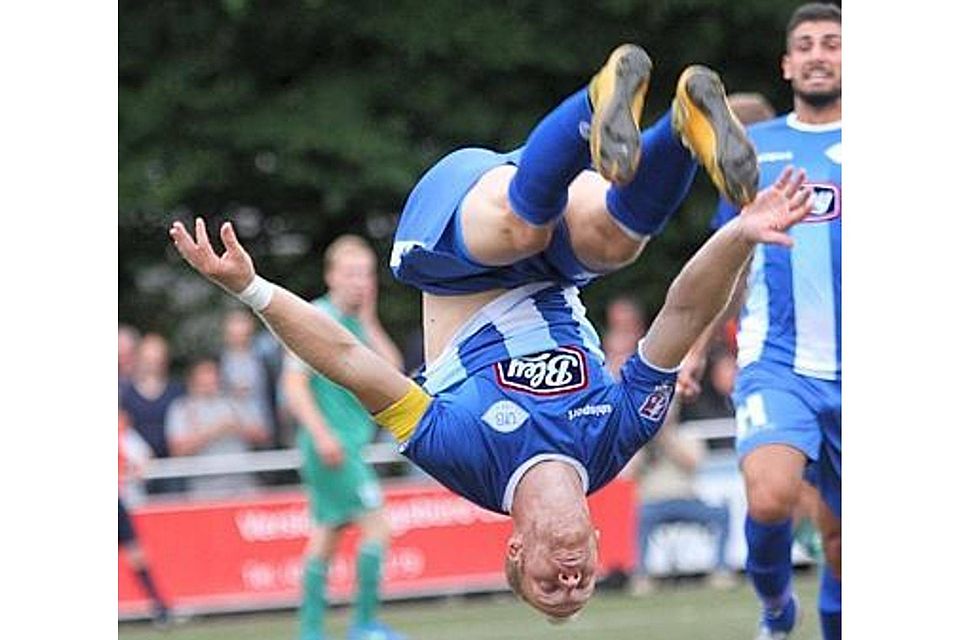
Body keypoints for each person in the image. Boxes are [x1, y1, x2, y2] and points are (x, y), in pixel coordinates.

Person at [169, 42, 814, 621]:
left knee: (522, 228)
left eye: (548, 586)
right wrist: (739, 233)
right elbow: (681, 316)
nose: (570, 580)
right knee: (617, 243)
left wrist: (252, 289)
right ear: (597, 543)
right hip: (555, 259)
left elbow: (348, 360)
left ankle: (594, 103)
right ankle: (681, 127)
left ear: (517, 549)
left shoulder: (468, 459)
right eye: (582, 585)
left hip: (451, 247)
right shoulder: (614, 439)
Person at [678, 5, 841, 638]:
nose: (818, 54)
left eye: (832, 43)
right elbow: (728, 259)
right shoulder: (755, 150)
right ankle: (775, 606)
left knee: (841, 544)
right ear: (788, 64)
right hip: (778, 362)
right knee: (770, 496)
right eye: (806, 45)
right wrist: (693, 347)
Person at [281, 235, 406, 640]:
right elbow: (293, 384)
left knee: (327, 535)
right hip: (331, 446)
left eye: (366, 274)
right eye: (351, 274)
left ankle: (311, 632)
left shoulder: (357, 322)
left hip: (346, 445)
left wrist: (369, 319)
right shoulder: (317, 317)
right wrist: (322, 435)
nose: (360, 282)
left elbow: (393, 373)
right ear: (331, 276)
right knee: (378, 528)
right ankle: (364, 626)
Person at [624, 401, 734, 596]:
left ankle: (721, 570)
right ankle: (641, 576)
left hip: (686, 500)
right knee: (641, 516)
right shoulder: (641, 437)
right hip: (653, 503)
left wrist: (666, 439)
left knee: (721, 514)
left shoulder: (688, 434)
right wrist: (645, 447)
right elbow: (629, 473)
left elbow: (692, 464)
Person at [166, 357, 271, 496]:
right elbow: (177, 451)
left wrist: (238, 427)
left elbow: (264, 436)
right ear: (192, 380)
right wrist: (213, 431)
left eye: (213, 374)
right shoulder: (182, 408)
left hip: (243, 484)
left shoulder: (235, 402)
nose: (210, 380)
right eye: (204, 375)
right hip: (204, 489)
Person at [119, 408, 171, 626]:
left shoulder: (123, 436)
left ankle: (159, 607)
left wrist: (132, 472)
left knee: (136, 555)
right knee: (136, 554)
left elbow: (144, 461)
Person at [120, 333, 186, 495]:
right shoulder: (125, 394)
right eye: (148, 359)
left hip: (172, 469)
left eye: (157, 359)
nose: (153, 364)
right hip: (138, 470)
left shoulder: (178, 391)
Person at [219, 308, 278, 446]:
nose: (239, 338)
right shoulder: (217, 362)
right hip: (228, 432)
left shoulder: (265, 361)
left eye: (243, 333)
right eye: (234, 333)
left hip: (263, 429)